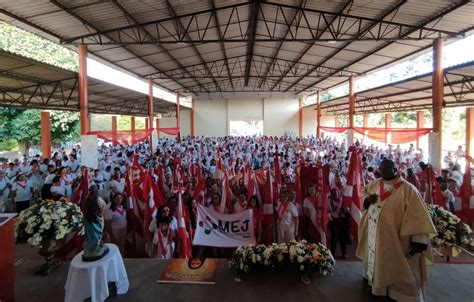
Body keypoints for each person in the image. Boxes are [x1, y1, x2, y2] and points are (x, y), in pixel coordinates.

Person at [356, 159, 437, 301]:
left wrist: (418, 241)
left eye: (386, 169)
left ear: (395, 169)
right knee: (377, 262)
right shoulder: (375, 184)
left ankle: (399, 294)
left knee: (400, 268)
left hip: (398, 240)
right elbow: (365, 202)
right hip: (376, 237)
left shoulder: (408, 189)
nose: (382, 171)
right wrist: (368, 201)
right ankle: (377, 286)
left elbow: (417, 216)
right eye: (380, 169)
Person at [328, 188, 350, 259]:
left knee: (342, 238)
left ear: (339, 193)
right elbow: (327, 211)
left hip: (342, 221)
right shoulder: (329, 202)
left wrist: (347, 210)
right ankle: (332, 254)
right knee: (334, 238)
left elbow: (347, 210)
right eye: (334, 193)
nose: (335, 194)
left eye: (336, 193)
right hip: (333, 221)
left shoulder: (342, 200)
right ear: (331, 195)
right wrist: (330, 218)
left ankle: (344, 253)